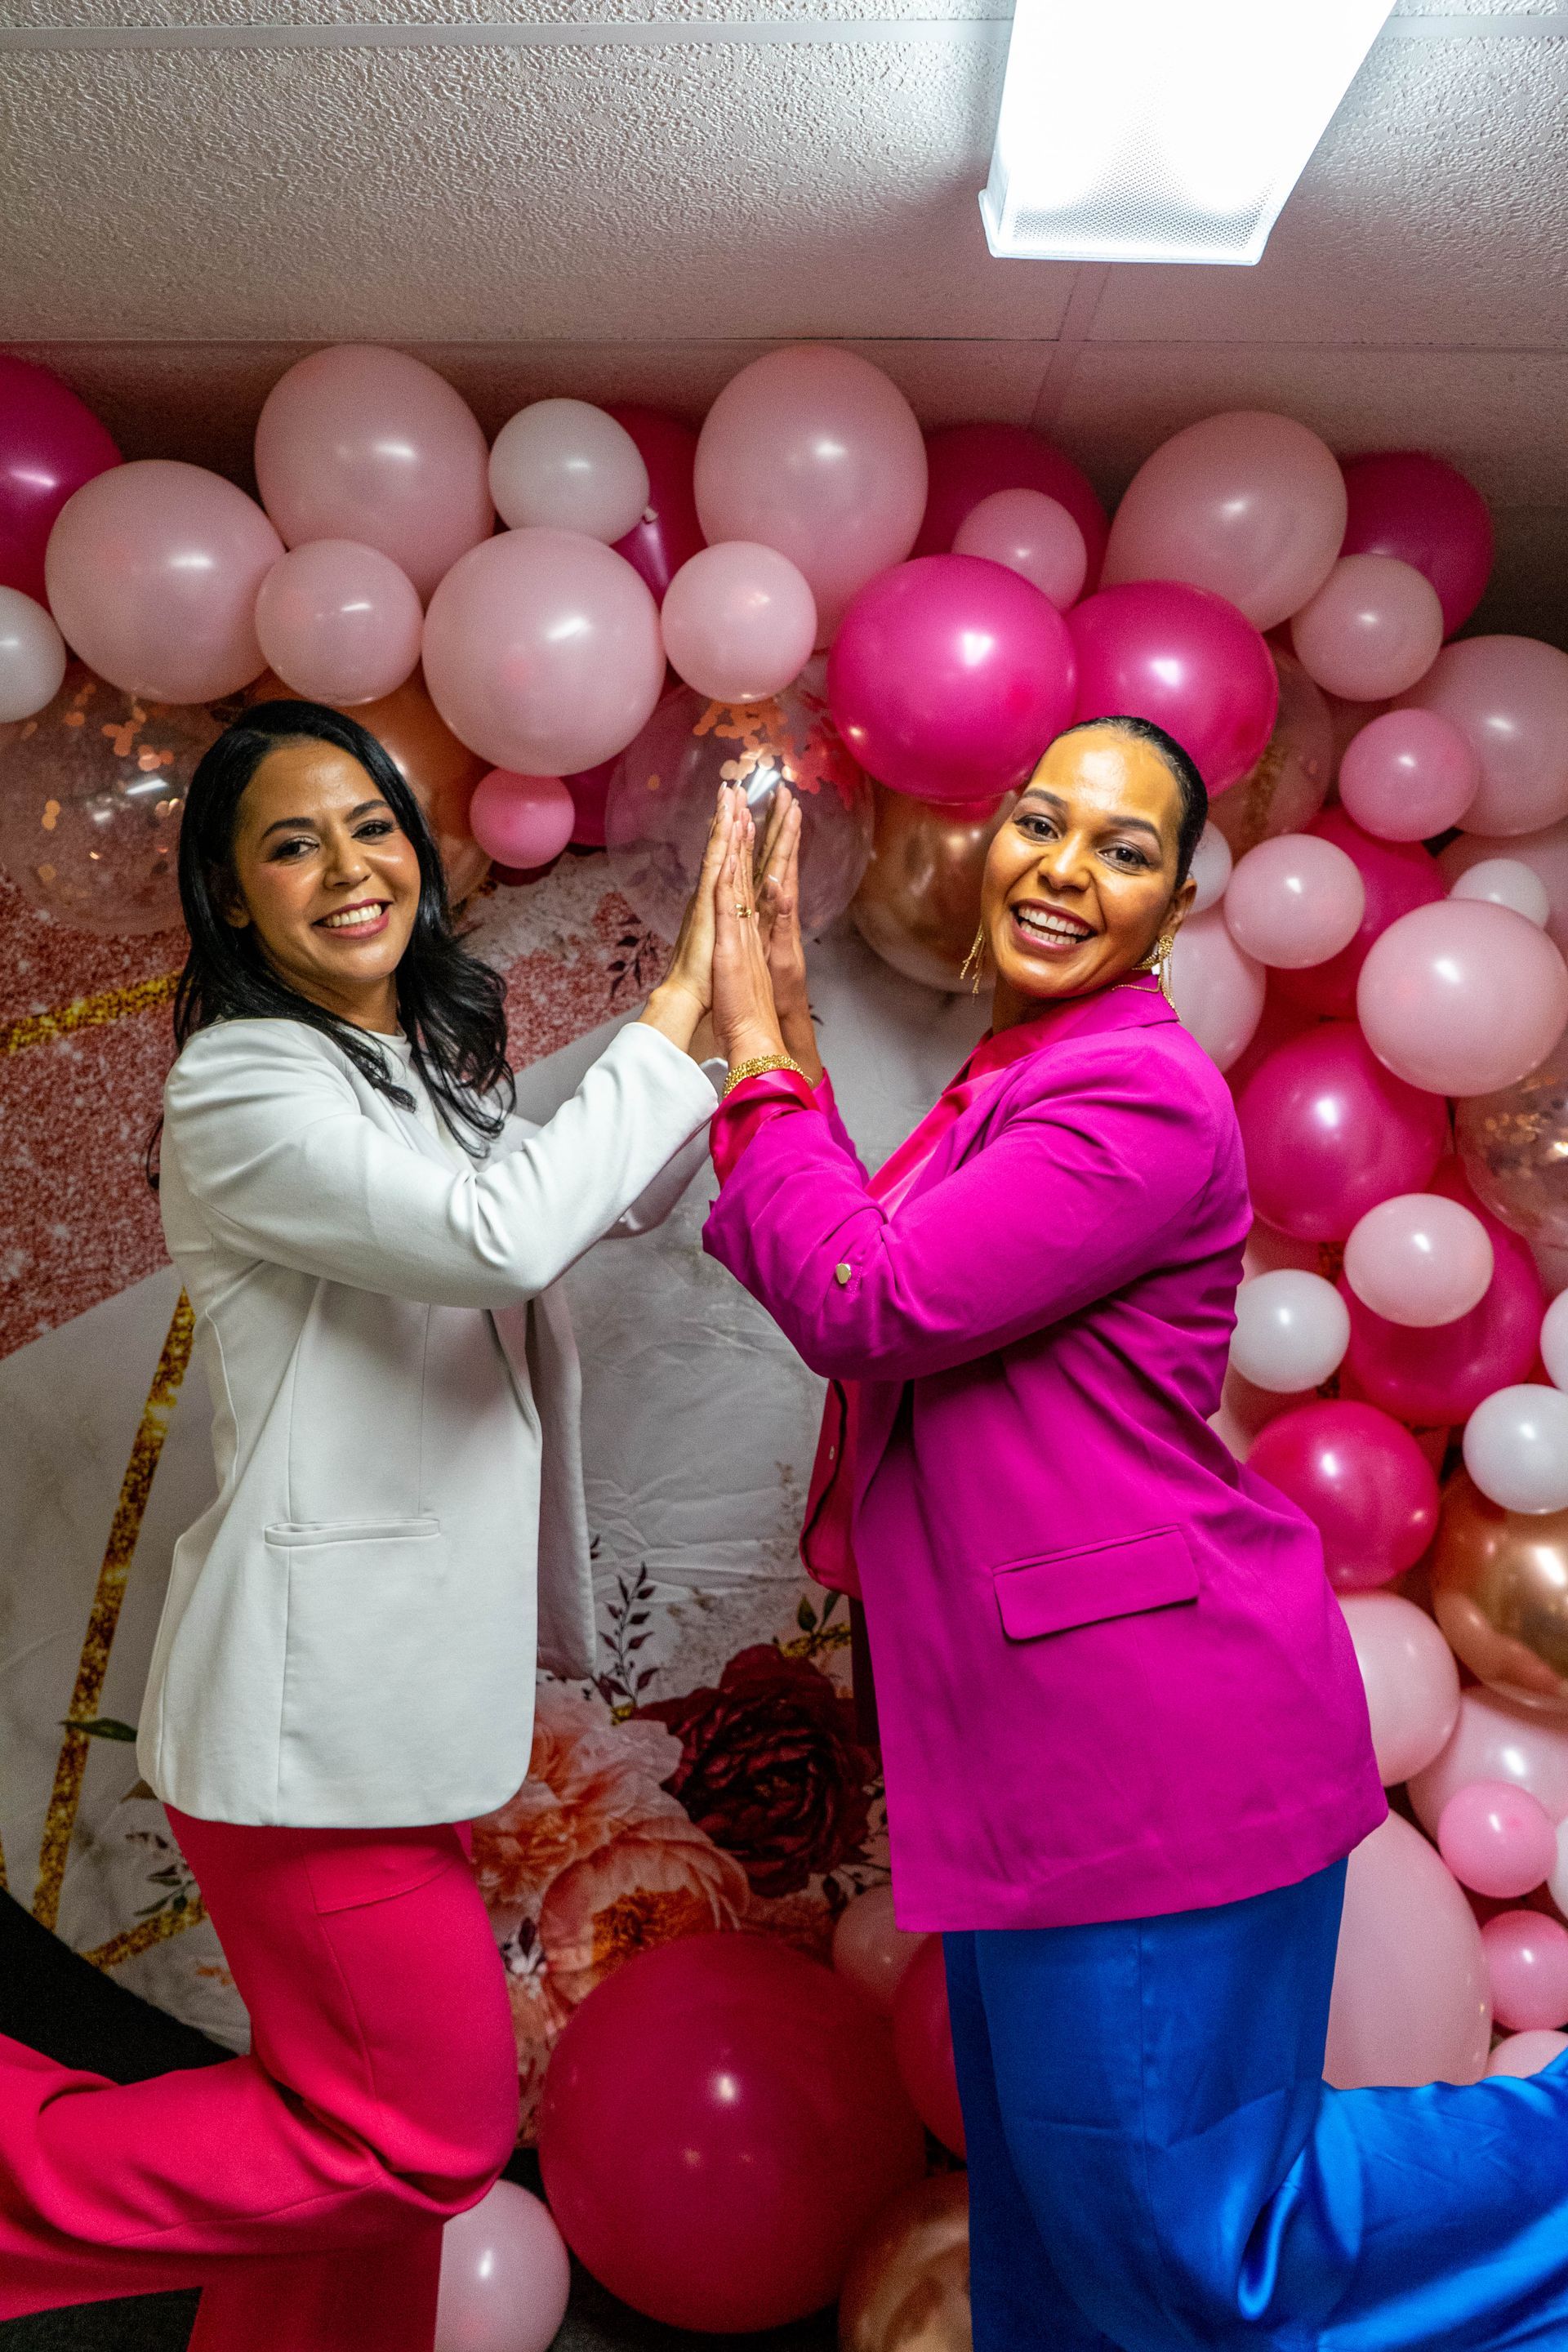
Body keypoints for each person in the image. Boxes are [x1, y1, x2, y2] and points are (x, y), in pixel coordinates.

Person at [702, 716, 1568, 2352]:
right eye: (1044, 821)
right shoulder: (1013, 1079)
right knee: (1067, 2268)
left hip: (1153, 1753)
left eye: (1122, 847)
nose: (1064, 866)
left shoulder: (1143, 1094)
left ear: (1170, 913)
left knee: (1198, 2245)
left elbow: (863, 1294)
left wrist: (760, 1047)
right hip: (1037, 1760)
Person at [0, 701, 742, 2352]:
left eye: (373, 825)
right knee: (428, 2139)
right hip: (305, 1730)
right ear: (233, 903)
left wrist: (736, 1033)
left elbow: (579, 1203)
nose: (348, 866)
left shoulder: (413, 1076)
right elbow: (500, 1235)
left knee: (356, 2167)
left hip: (397, 1719)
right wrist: (681, 1012)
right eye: (290, 842)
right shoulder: (244, 1085)